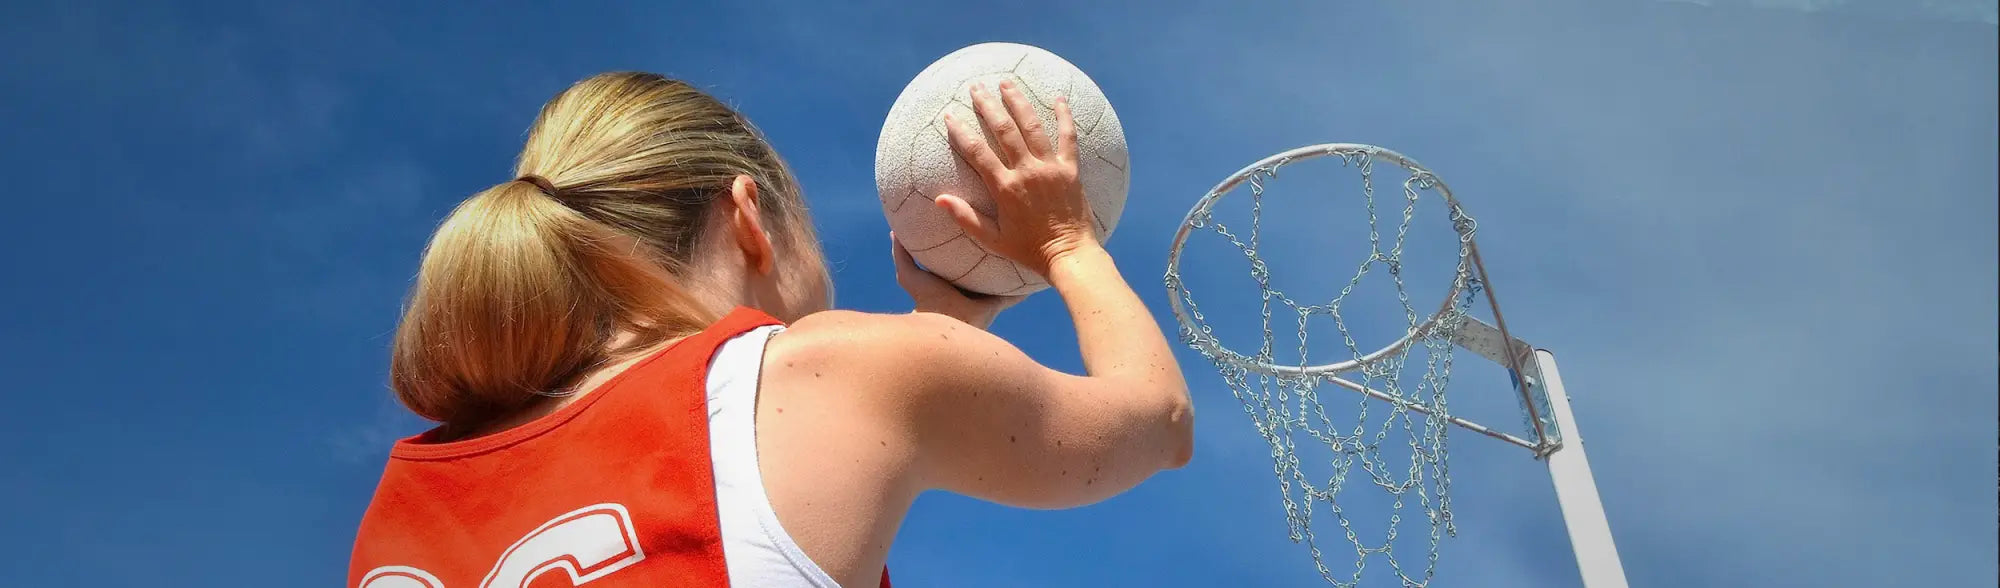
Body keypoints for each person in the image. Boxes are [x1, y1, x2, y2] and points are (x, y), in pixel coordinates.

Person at [348, 71, 1193, 588]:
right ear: (749, 217)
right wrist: (1064, 242)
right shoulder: (822, 374)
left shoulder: (406, 502)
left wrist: (945, 334)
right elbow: (1159, 421)